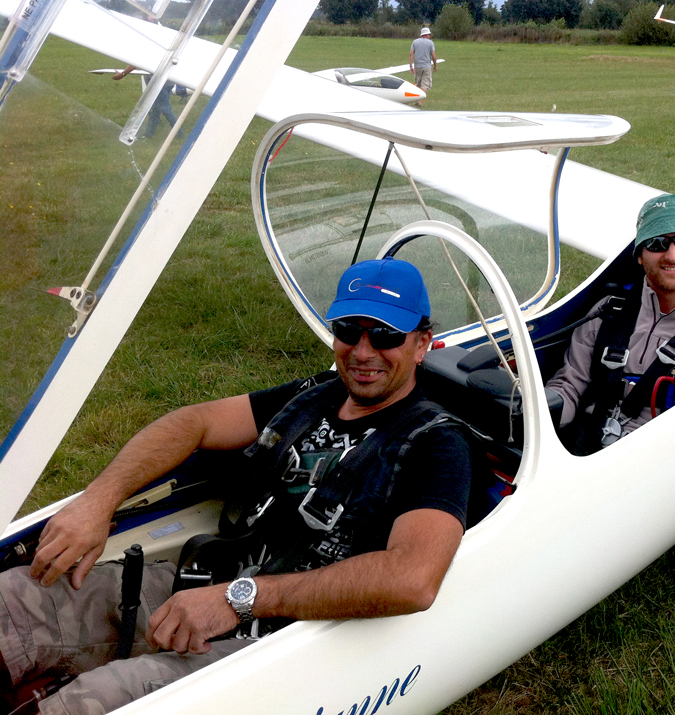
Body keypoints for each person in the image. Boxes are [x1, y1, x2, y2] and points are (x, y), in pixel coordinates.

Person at [0, 258, 472, 714]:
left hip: (290, 639)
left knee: (94, 703)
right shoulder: (315, 394)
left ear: (422, 343)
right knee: (15, 600)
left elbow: (414, 580)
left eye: (386, 335)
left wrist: (239, 599)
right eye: (349, 330)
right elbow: (195, 422)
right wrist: (97, 502)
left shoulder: (435, 443)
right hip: (207, 581)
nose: (363, 351)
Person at [546, 193, 675, 455]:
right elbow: (569, 386)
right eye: (656, 244)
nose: (673, 255)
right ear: (640, 256)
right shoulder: (608, 312)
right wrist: (535, 411)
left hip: (663, 458)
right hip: (587, 446)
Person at [111, 65, 184, 139]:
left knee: (165, 109)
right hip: (167, 81)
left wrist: (123, 74)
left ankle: (180, 133)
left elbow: (134, 64)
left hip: (160, 83)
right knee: (156, 109)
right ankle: (149, 134)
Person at [408, 27, 437, 107]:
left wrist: (411, 66)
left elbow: (411, 54)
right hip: (427, 66)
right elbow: (434, 56)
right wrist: (435, 65)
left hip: (417, 66)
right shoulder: (430, 43)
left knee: (418, 84)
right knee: (425, 85)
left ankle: (417, 100)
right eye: (429, 34)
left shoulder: (415, 42)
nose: (430, 36)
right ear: (426, 35)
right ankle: (420, 102)